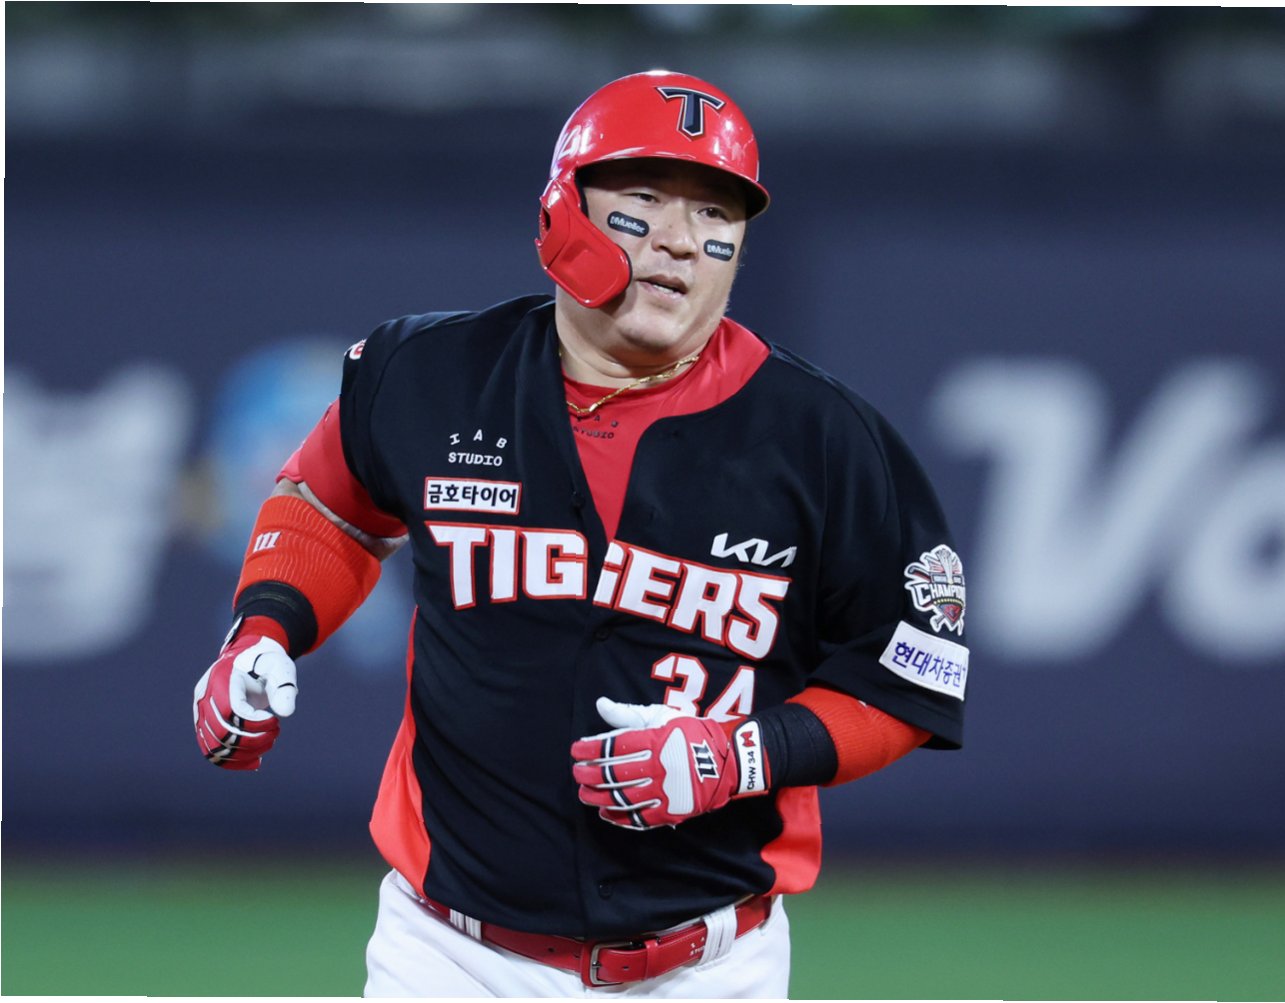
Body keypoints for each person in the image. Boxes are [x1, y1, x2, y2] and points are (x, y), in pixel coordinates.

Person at [192, 69, 970, 998]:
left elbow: (907, 677)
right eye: (644, 198)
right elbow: (327, 505)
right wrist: (261, 629)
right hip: (450, 957)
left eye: (715, 212)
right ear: (561, 213)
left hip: (708, 966)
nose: (680, 239)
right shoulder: (430, 374)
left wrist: (741, 756)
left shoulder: (823, 437)